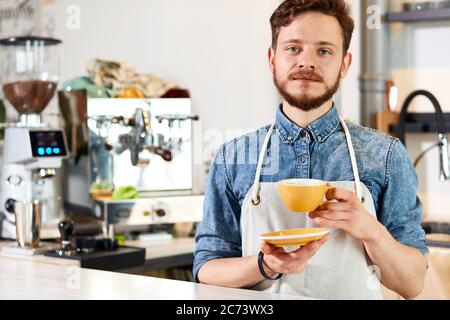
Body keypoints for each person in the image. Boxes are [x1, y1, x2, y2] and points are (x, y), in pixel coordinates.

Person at [193, 0, 428, 300]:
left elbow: (412, 284)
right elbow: (206, 269)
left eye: (324, 50)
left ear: (344, 63)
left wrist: (371, 230)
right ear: (271, 58)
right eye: (293, 48)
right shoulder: (233, 158)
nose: (306, 62)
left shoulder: (385, 156)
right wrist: (264, 265)